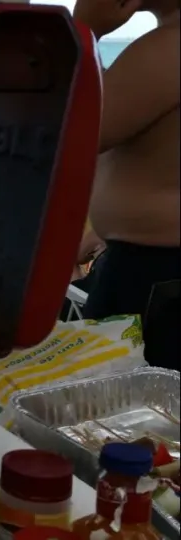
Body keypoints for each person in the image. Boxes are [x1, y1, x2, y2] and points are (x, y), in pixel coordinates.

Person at [72, 0, 180, 370]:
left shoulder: (167, 48)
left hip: (152, 274)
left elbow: (77, 128)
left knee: (118, 408)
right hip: (159, 267)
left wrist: (84, 30)